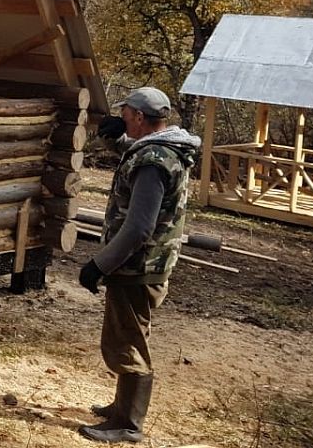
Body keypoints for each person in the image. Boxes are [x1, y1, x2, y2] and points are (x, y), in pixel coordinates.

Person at [77, 87, 201, 443]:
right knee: (131, 333)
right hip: (146, 263)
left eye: (128, 113)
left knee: (127, 342)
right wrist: (111, 138)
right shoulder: (160, 148)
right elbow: (132, 159)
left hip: (137, 265)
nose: (124, 117)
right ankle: (121, 406)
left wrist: (99, 265)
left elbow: (139, 226)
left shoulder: (153, 161)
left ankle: (127, 425)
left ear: (142, 118)